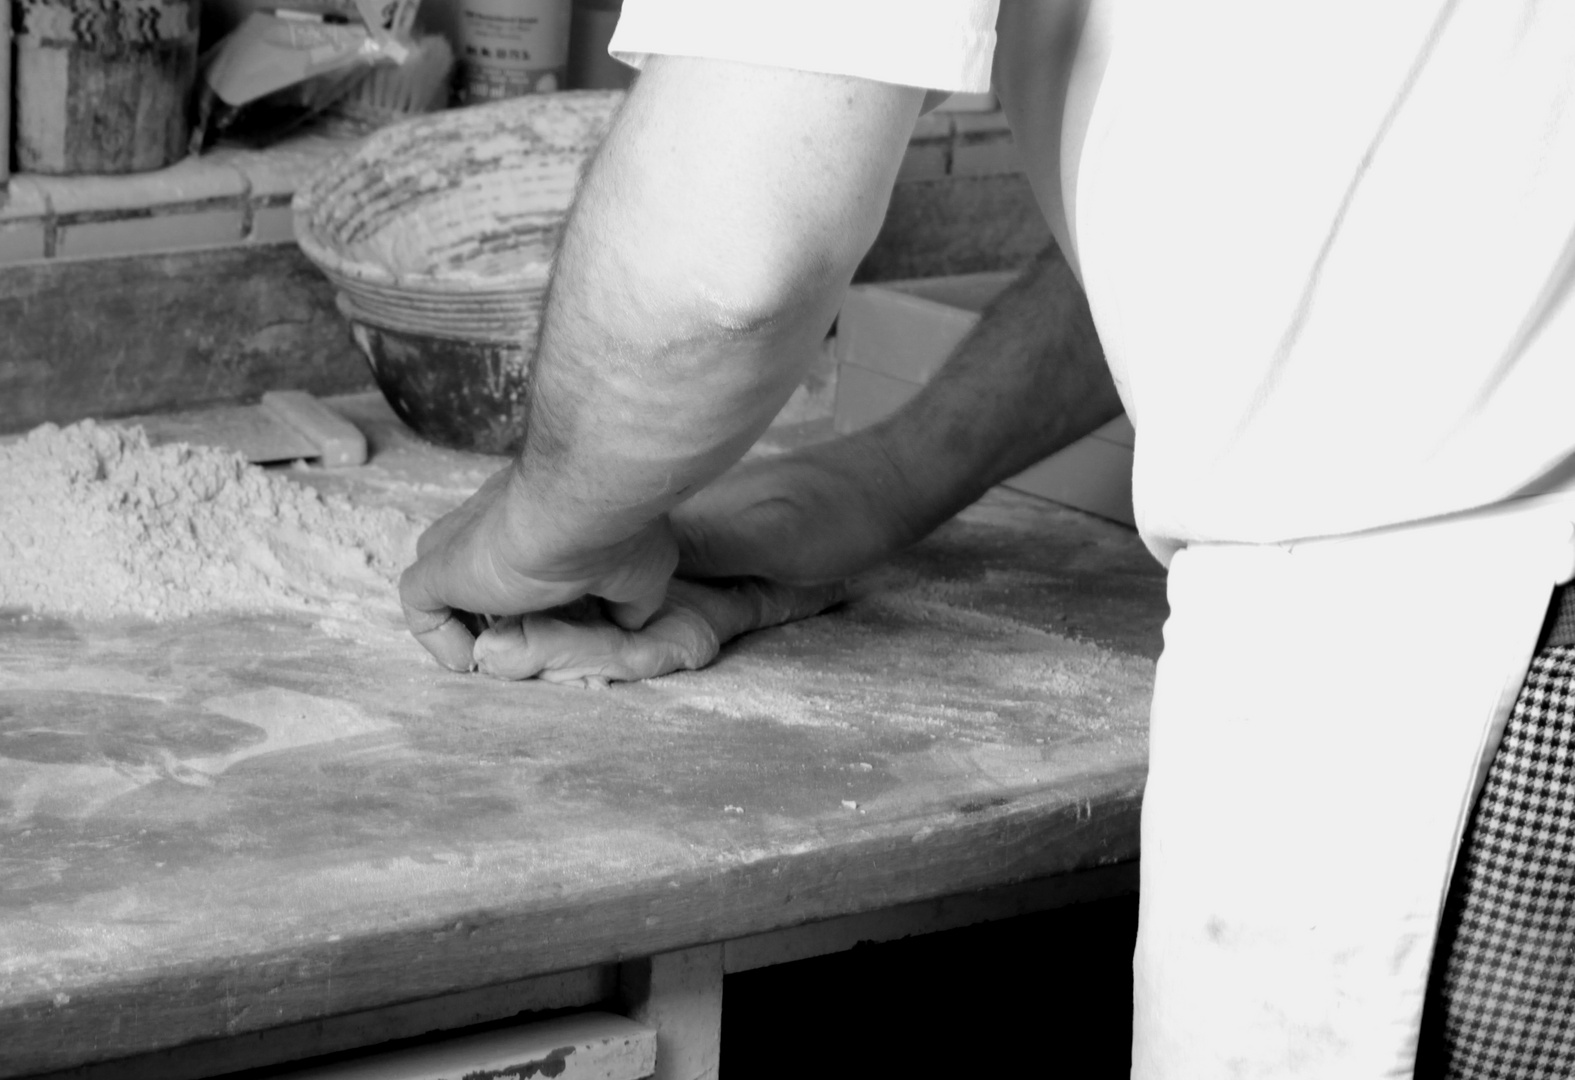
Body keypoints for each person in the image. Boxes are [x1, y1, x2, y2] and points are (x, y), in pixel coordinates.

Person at [398, 2, 1575, 1075]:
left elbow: (718, 269)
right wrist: (893, 476)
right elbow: (1323, 196)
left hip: (1481, 692)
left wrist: (540, 534)